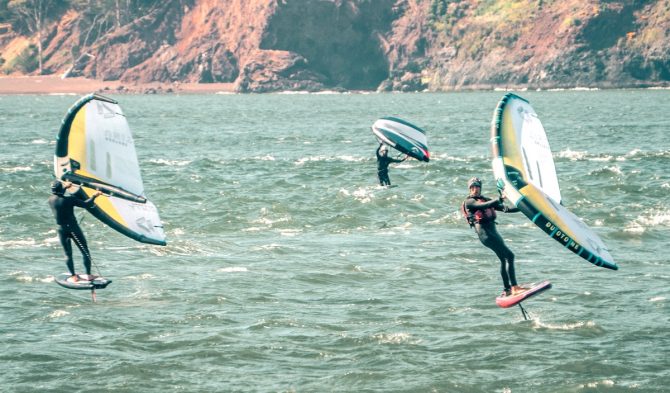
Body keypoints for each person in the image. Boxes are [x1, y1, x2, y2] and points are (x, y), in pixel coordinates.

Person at [461, 177, 527, 297]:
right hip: (485, 234)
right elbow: (486, 205)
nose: (475, 190)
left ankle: (507, 289)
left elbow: (505, 209)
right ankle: (515, 288)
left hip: (493, 232)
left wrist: (525, 208)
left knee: (504, 258)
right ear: (470, 189)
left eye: (477, 187)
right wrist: (500, 198)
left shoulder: (483, 199)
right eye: (473, 187)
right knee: (510, 256)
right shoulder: (469, 202)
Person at [48, 180, 102, 282]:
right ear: (61, 189)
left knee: (67, 254)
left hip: (61, 229)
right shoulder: (70, 200)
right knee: (85, 251)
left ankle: (73, 276)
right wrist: (95, 195)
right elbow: (87, 204)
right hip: (73, 229)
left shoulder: (50, 200)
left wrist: (65, 187)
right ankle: (88, 275)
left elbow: (59, 194)